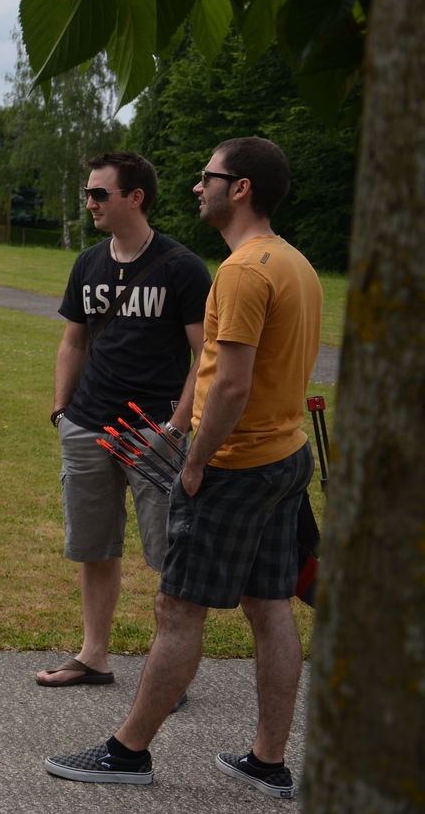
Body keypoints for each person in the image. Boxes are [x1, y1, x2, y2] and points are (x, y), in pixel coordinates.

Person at [47, 137, 321, 801]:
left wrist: (193, 462)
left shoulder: (241, 271)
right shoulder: (294, 262)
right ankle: (268, 761)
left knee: (177, 608)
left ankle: (127, 752)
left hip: (234, 462)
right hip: (284, 457)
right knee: (268, 604)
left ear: (241, 188)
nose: (198, 187)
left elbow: (229, 384)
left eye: (208, 176)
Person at [38, 151, 210, 688]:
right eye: (87, 193)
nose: (89, 202)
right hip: (87, 426)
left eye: (99, 194)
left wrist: (175, 427)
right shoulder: (88, 263)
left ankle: (168, 678)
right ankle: (94, 657)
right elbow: (73, 341)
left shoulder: (182, 267)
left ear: (135, 198)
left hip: (153, 432)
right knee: (94, 549)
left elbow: (206, 356)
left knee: (168, 556)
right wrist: (63, 411)